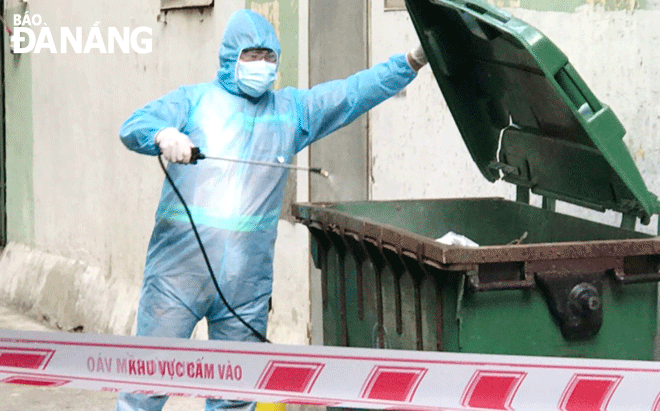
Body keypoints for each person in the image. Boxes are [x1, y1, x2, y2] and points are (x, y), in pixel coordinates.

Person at [116, 8, 427, 411]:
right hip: (177, 276)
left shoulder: (290, 112)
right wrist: (162, 134)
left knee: (235, 397)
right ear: (230, 56)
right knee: (145, 386)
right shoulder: (194, 102)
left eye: (269, 56)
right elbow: (133, 125)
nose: (261, 64)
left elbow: (351, 93)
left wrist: (410, 63)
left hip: (245, 287)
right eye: (251, 54)